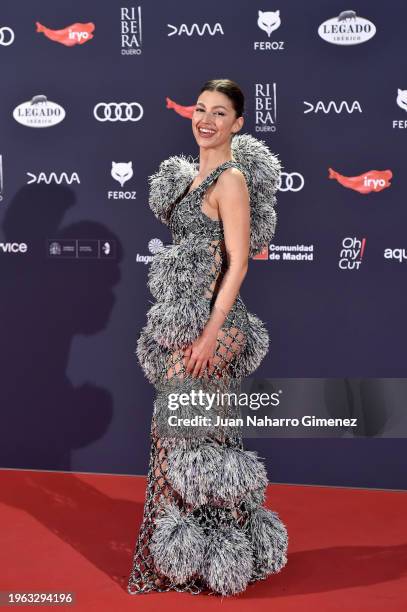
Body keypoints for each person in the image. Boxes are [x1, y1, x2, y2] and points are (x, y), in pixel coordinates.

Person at [127, 78, 288, 597]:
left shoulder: (231, 179)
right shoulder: (185, 180)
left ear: (237, 125)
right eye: (200, 109)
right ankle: (198, 559)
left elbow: (238, 263)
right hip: (184, 320)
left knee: (193, 439)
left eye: (220, 113)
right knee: (195, 439)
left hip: (218, 327)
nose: (207, 120)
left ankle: (214, 559)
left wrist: (209, 334)